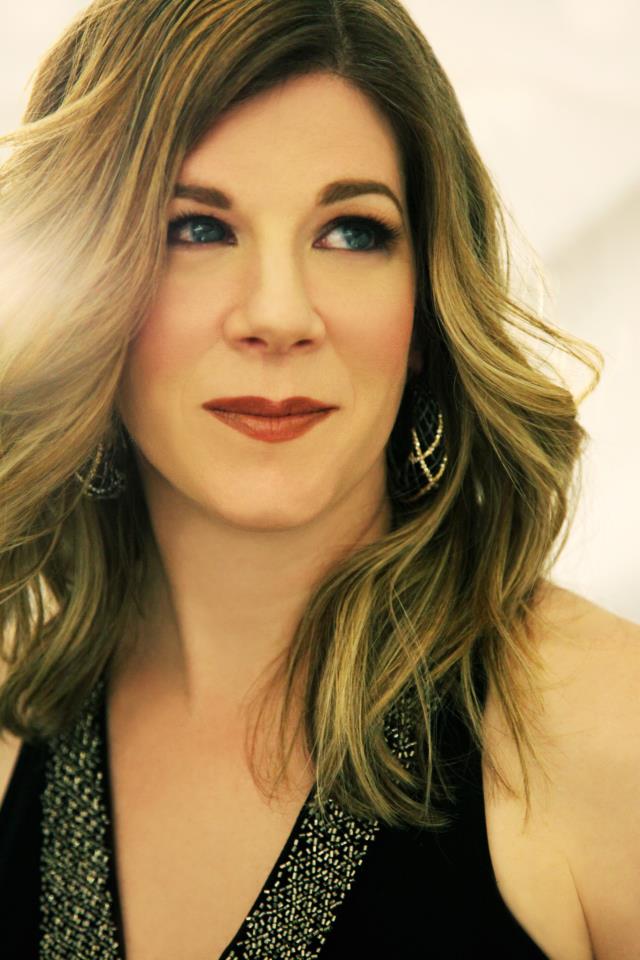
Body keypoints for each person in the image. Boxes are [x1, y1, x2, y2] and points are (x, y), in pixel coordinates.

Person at [0, 0, 638, 957]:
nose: (279, 314)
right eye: (197, 228)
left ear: (425, 308)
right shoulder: (15, 710)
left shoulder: (604, 727)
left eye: (350, 233)